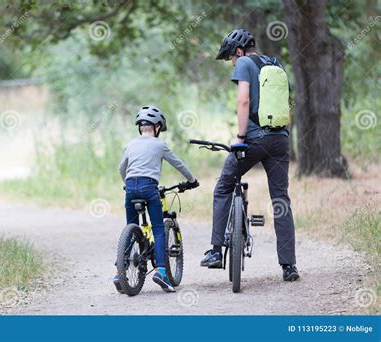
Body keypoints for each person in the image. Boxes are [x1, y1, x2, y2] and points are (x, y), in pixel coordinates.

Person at [200, 29, 299, 281]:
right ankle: (289, 266)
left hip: (254, 139)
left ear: (239, 52)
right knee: (281, 200)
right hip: (280, 139)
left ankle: (215, 250)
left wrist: (241, 137)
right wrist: (284, 134)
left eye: (231, 58)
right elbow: (285, 102)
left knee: (223, 186)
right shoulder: (275, 63)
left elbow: (243, 101)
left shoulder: (244, 63)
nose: (233, 63)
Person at [115, 105, 199, 292]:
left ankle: (119, 272)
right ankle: (161, 271)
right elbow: (179, 164)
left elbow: (122, 168)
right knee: (159, 229)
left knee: (131, 227)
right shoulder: (160, 145)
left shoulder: (131, 144)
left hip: (130, 188)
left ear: (140, 127)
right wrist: (192, 180)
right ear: (158, 127)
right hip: (149, 188)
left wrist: (127, 184)